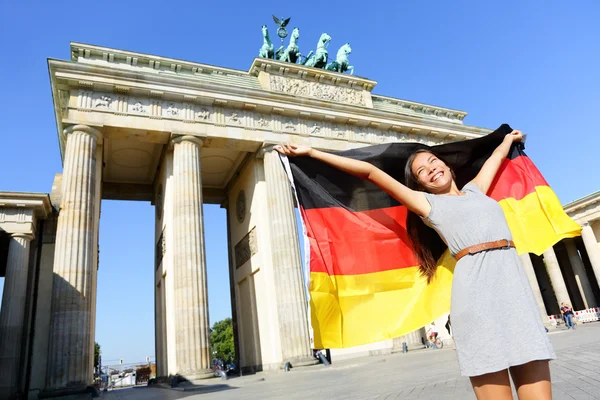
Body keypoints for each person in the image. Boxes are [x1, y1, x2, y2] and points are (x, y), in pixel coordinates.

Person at [276, 130, 554, 400]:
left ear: (447, 165)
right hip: (476, 304)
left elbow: (495, 157)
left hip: (516, 298)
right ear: (420, 185)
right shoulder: (427, 205)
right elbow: (370, 172)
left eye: (433, 161)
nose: (431, 169)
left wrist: (507, 139)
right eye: (422, 171)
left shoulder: (476, 191)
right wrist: (312, 152)